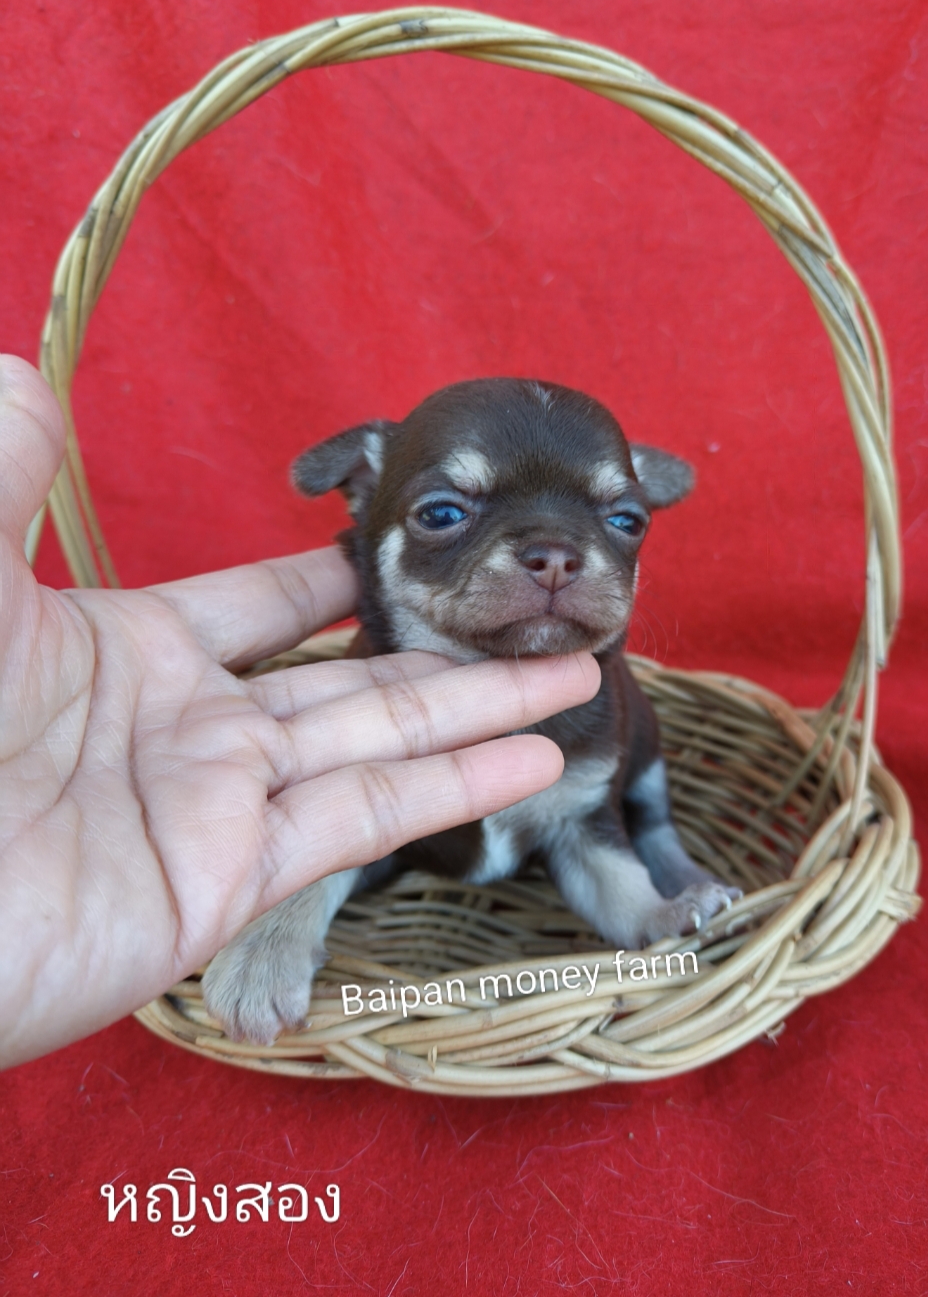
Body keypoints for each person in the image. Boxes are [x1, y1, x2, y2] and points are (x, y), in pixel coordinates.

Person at [0, 356, 600, 1070]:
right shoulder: (351, 708)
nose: (554, 560)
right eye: (445, 515)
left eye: (620, 519)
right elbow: (335, 828)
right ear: (367, 490)